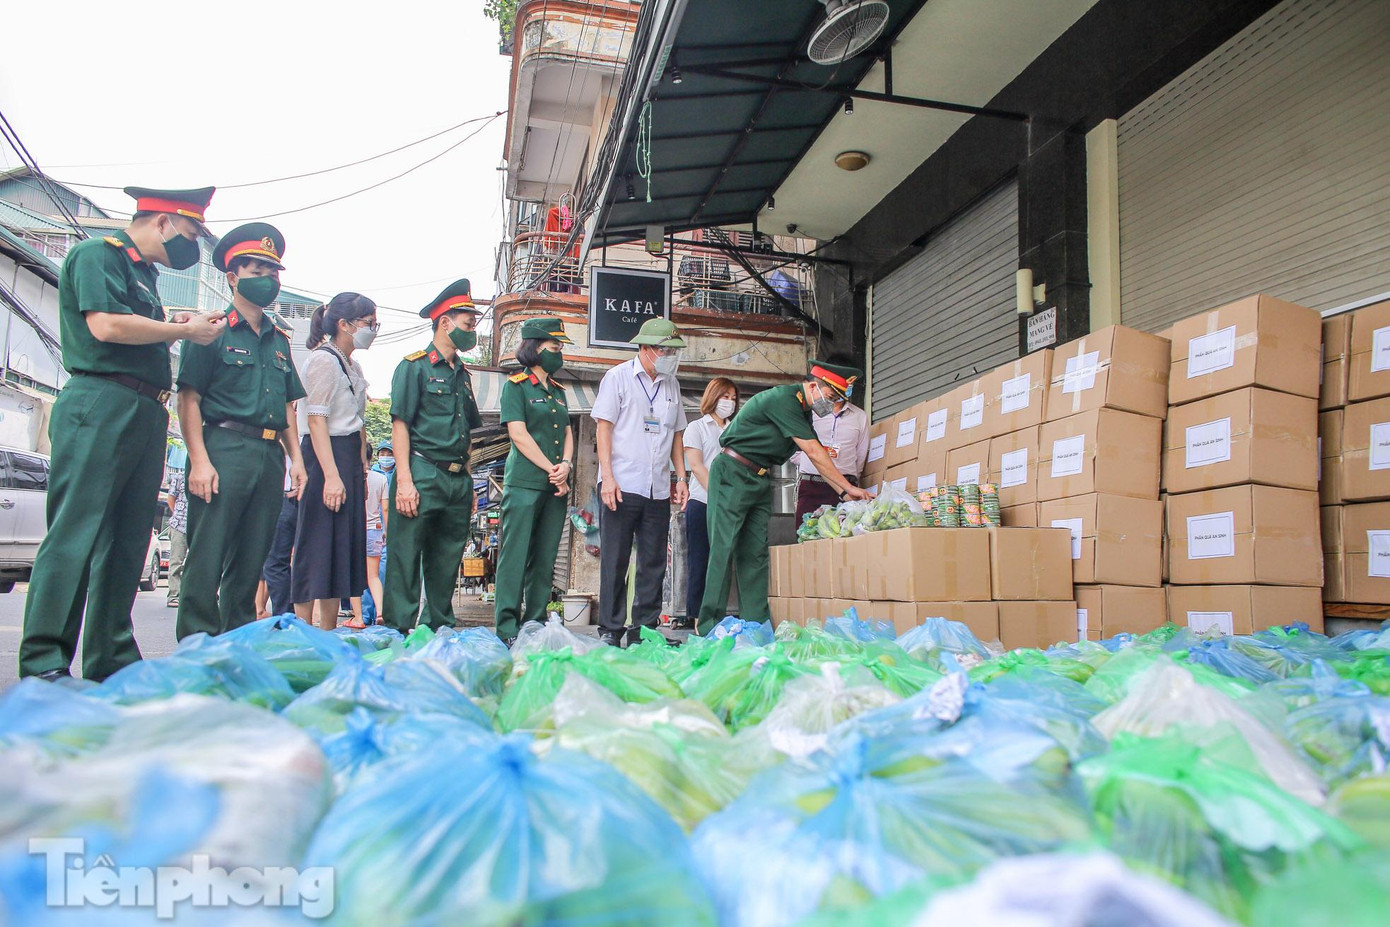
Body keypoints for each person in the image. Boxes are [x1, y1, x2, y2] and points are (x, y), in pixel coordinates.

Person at [19, 186, 225, 681]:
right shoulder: (98, 255)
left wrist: (168, 321)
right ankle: (45, 662)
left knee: (128, 542)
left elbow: (135, 326)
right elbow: (107, 326)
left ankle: (110, 659)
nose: (192, 247)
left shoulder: (145, 276)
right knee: (77, 533)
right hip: (101, 401)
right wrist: (183, 331)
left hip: (145, 410)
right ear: (162, 222)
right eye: (191, 232)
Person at [175, 224, 308, 640]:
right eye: (257, 269)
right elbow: (189, 399)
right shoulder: (209, 329)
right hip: (222, 447)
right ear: (233, 277)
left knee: (252, 558)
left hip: (269, 456)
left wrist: (297, 461)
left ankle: (236, 638)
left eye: (273, 271)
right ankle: (196, 641)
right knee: (208, 552)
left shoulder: (279, 340)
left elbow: (287, 407)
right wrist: (199, 460)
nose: (269, 278)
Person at [698, 362, 873, 634]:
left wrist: (842, 489)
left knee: (755, 553)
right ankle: (708, 626)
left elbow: (816, 456)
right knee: (724, 548)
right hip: (732, 472)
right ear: (814, 386)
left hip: (759, 478)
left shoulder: (804, 414)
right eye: (831, 397)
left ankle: (756, 627)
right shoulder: (785, 399)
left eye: (838, 400)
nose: (832, 404)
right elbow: (814, 452)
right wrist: (846, 488)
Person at [383, 279, 483, 632]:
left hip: (456, 479)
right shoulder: (414, 367)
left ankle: (438, 628)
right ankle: (398, 631)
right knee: (405, 557)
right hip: (422, 471)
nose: (472, 331)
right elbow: (400, 426)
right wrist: (405, 482)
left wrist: (469, 481)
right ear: (445, 322)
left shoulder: (463, 375)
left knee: (447, 559)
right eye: (468, 324)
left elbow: (466, 432)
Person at [591, 318, 689, 648]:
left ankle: (644, 629)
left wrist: (681, 477)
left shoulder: (671, 384)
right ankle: (611, 629)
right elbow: (603, 429)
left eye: (673, 351)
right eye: (665, 349)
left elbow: (676, 435)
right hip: (622, 483)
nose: (670, 356)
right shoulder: (617, 378)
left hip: (657, 487)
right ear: (645, 348)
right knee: (615, 560)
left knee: (653, 561)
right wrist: (608, 477)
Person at [292, 292, 376, 630]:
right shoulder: (323, 360)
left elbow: (358, 425)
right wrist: (331, 476)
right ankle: (303, 630)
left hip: (348, 460)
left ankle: (327, 632)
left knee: (340, 550)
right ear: (344, 324)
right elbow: (316, 421)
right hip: (324, 457)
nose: (372, 329)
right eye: (368, 324)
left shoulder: (352, 364)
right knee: (316, 545)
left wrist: (362, 469)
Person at [493, 317, 574, 644]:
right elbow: (519, 434)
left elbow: (568, 431)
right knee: (515, 556)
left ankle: (535, 623)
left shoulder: (558, 392)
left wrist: (566, 463)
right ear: (535, 348)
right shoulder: (516, 387)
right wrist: (551, 468)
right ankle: (508, 628)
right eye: (555, 347)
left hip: (556, 487)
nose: (559, 353)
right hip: (525, 483)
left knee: (544, 557)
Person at [681, 377, 738, 630]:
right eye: (725, 396)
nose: (730, 402)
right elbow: (696, 465)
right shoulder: (697, 427)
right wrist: (717, 494)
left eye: (734, 398)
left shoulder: (735, 429)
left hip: (729, 505)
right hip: (703, 502)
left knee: (722, 562)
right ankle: (697, 618)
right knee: (700, 561)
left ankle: (718, 615)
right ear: (713, 397)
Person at [791, 355, 869, 523]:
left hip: (847, 489)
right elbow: (793, 449)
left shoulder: (860, 416)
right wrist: (809, 461)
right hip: (812, 485)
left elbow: (860, 457)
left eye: (850, 385)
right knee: (807, 536)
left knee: (843, 541)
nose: (846, 389)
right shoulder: (810, 411)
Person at [260, 452, 297, 617]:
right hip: (290, 495)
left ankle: (284, 616)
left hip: (287, 494)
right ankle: (287, 614)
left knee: (275, 562)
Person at [362, 441, 392, 625]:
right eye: (384, 452)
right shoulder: (380, 478)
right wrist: (387, 531)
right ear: (374, 456)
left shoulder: (351, 476)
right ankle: (378, 613)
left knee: (361, 575)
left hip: (359, 531)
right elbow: (386, 508)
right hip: (376, 531)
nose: (387, 457)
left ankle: (361, 616)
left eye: (390, 453)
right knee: (375, 575)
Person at [165, 467, 189, 609]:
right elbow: (170, 498)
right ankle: (174, 595)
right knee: (176, 561)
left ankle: (192, 595)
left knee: (199, 562)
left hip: (198, 524)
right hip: (179, 525)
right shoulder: (180, 477)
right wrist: (178, 515)